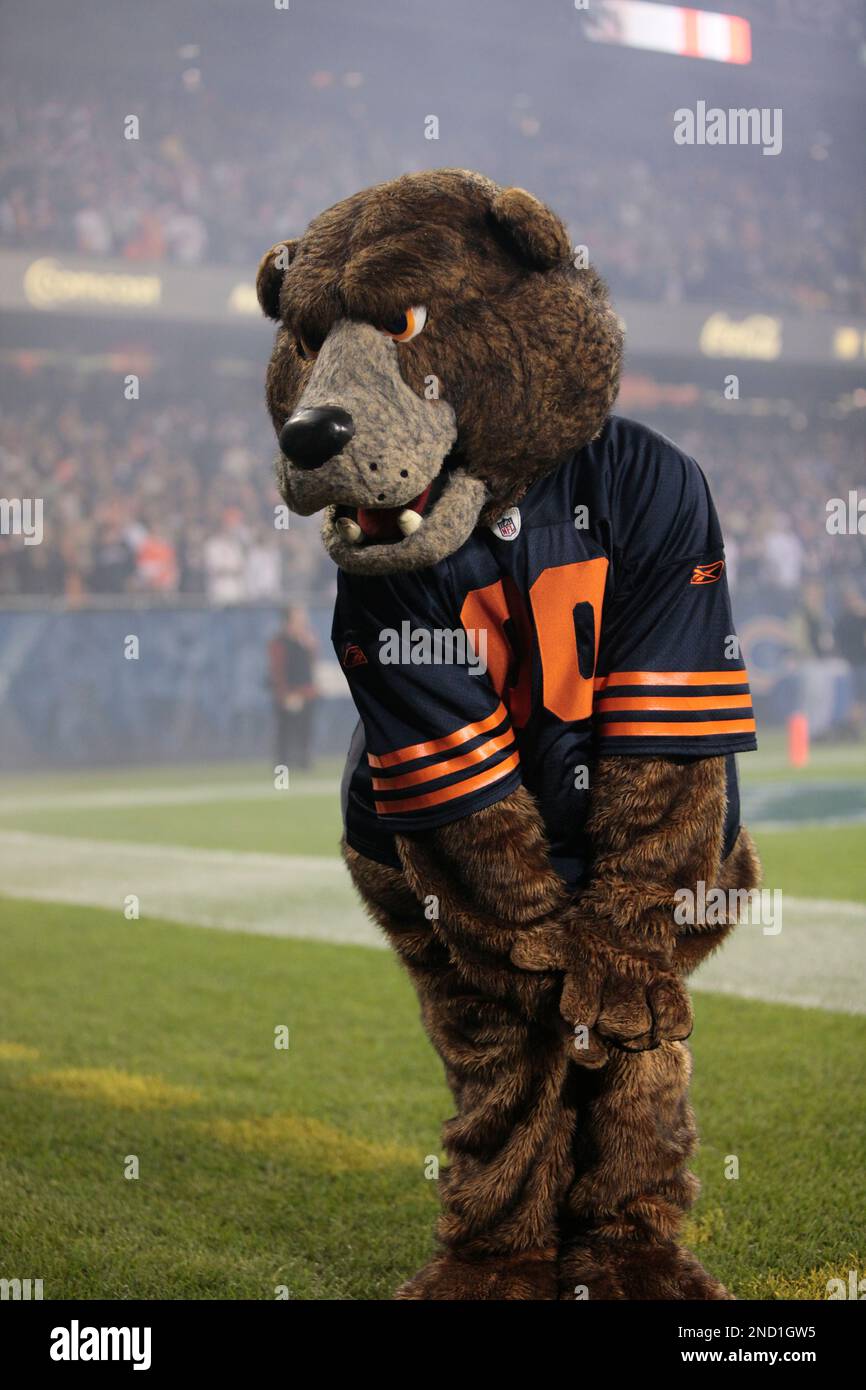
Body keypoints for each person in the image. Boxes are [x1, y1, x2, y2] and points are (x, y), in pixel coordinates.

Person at [267, 606, 318, 770]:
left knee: (305, 730)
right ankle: (283, 767)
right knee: (285, 732)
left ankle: (304, 763)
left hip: (305, 693)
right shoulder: (279, 643)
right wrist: (285, 694)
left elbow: (310, 668)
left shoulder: (306, 641)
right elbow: (277, 670)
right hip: (288, 694)